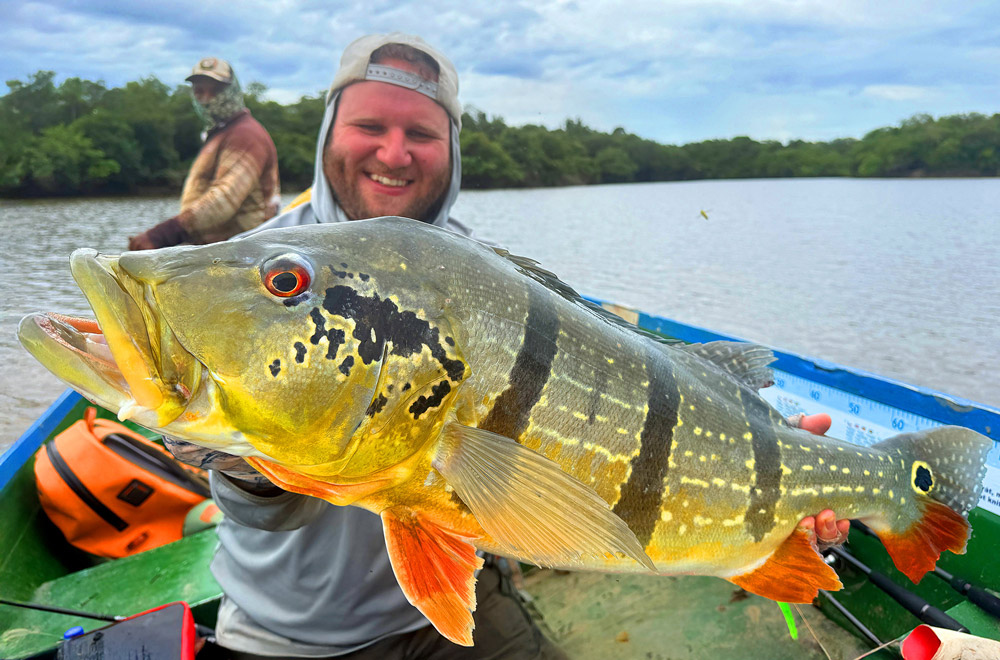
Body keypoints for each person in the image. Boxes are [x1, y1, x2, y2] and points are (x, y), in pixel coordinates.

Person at [164, 33, 848, 658]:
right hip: (288, 634)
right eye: (370, 126)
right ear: (326, 135)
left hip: (465, 595)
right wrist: (246, 458)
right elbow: (260, 504)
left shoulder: (490, 278)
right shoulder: (257, 273)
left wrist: (769, 470)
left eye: (421, 133)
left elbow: (594, 438)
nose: (394, 152)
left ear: (452, 149)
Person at [128, 57, 280, 251]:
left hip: (244, 254)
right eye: (199, 91)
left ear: (233, 90)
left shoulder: (245, 135)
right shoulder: (220, 133)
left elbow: (224, 199)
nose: (207, 98)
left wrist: (161, 236)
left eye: (216, 90)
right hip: (217, 252)